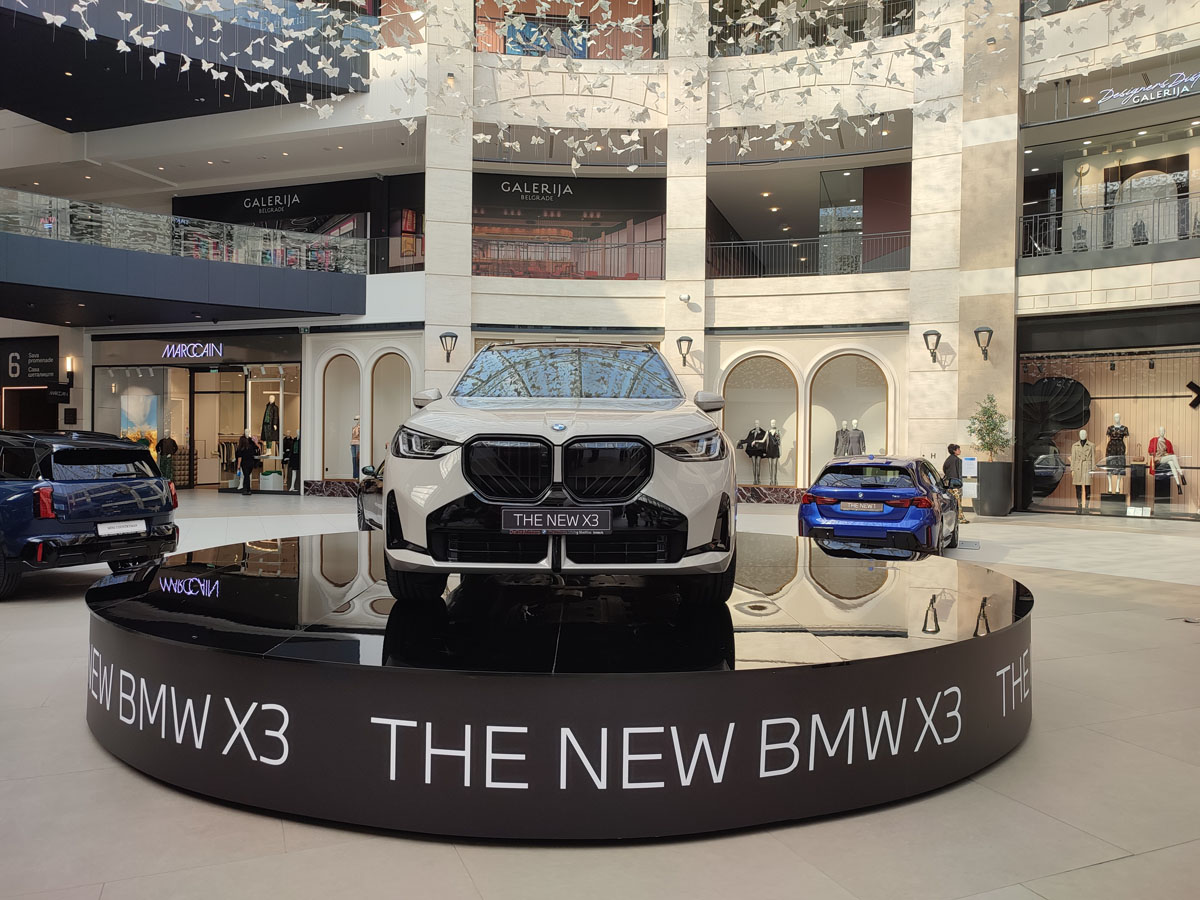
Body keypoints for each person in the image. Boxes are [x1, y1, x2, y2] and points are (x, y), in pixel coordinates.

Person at [943, 443, 969, 524]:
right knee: (958, 501)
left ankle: (951, 518)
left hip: (949, 483)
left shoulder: (948, 459)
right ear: (954, 451)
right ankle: (960, 518)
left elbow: (944, 469)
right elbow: (960, 472)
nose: (960, 450)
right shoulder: (957, 460)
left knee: (951, 502)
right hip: (956, 484)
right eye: (958, 449)